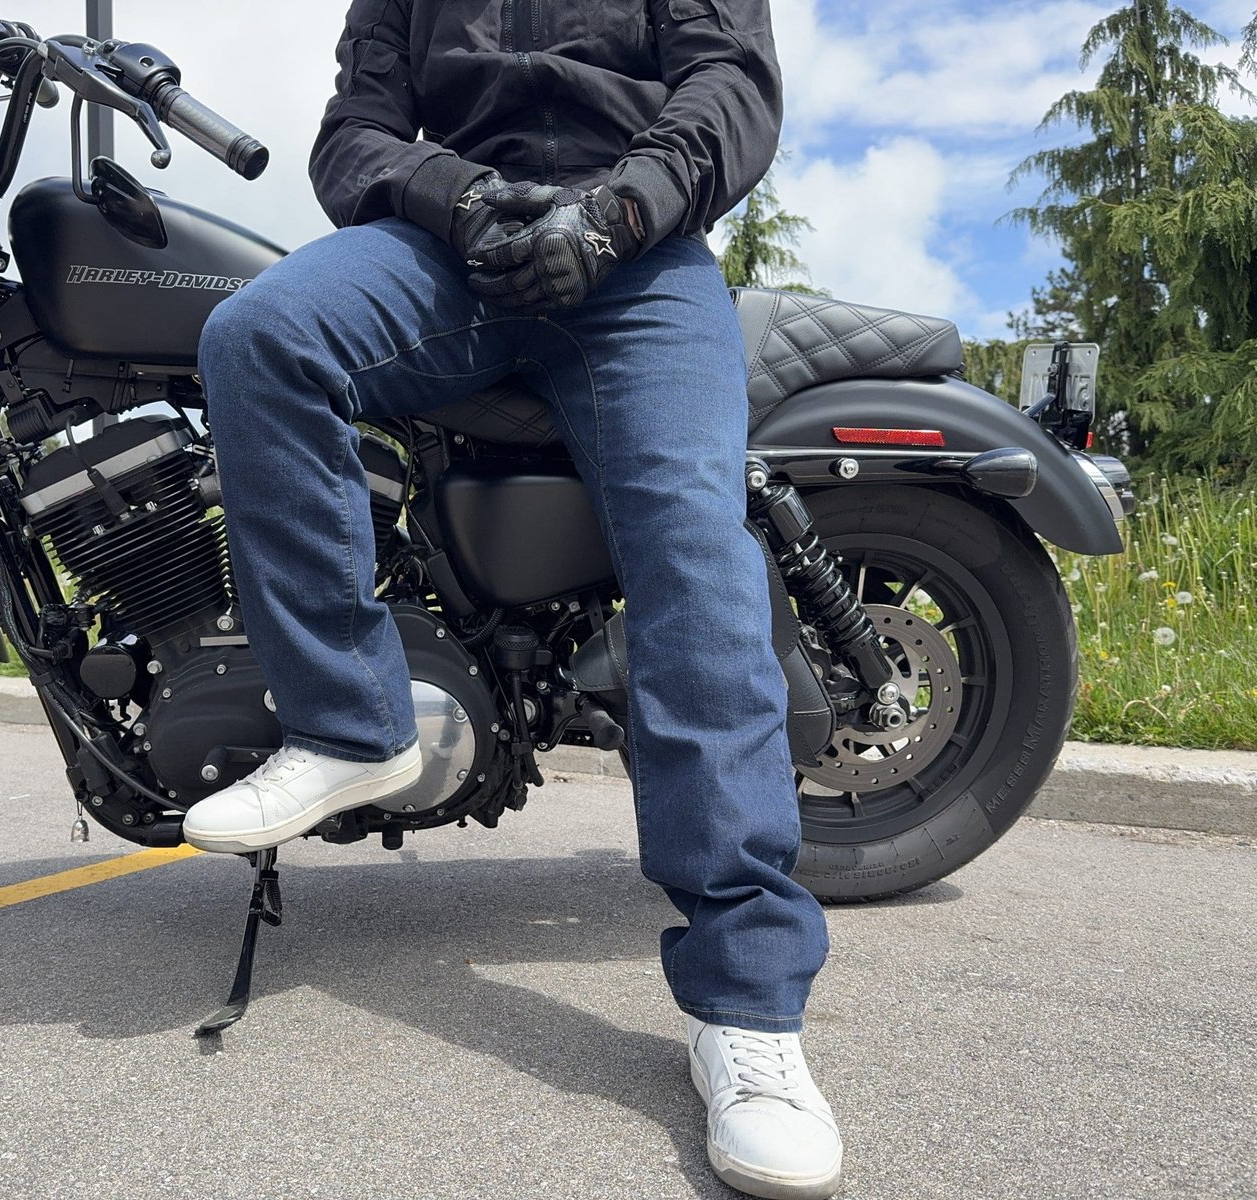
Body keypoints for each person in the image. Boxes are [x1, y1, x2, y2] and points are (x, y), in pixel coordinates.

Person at [181, 2, 841, 1195]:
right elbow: (355, 136)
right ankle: (350, 723)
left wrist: (617, 210)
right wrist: (461, 200)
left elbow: (730, 90)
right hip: (450, 254)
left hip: (639, 261)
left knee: (694, 547)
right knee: (257, 333)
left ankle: (748, 1011)